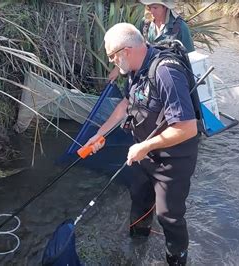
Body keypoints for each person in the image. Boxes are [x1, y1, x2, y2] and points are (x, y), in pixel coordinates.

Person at [84, 23, 199, 265]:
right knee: (138, 197)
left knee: (169, 215)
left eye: (113, 57)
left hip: (173, 160)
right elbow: (125, 104)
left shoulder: (167, 72)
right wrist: (100, 133)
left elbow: (188, 128)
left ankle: (176, 258)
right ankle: (136, 244)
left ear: (126, 51)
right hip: (143, 151)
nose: (113, 63)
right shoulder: (135, 69)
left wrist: (144, 147)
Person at [108, 0, 195, 81]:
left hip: (171, 76)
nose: (151, 11)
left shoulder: (180, 27)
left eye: (155, 8)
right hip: (147, 76)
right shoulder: (145, 23)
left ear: (165, 7)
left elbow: (191, 58)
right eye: (149, 7)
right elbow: (131, 46)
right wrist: (118, 69)